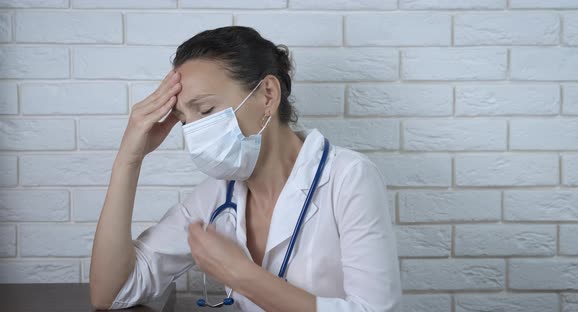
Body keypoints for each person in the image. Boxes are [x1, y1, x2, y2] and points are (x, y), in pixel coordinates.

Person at [89, 26, 402, 312]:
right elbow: (112, 293)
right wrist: (128, 161)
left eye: (206, 110)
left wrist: (243, 276)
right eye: (185, 121)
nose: (194, 133)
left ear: (268, 95)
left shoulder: (349, 178)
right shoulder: (215, 196)